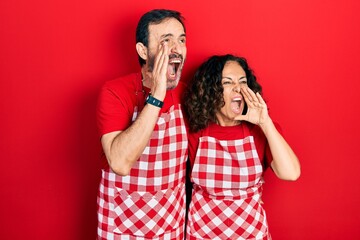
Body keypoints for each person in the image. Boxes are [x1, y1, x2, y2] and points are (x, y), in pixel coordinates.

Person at [183, 54, 301, 239]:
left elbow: (290, 173)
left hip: (251, 233)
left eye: (243, 81)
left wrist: (265, 123)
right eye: (228, 82)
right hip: (202, 234)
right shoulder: (194, 132)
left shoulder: (261, 131)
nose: (238, 88)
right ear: (210, 90)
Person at [96, 9, 188, 239]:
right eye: (166, 40)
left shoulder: (188, 94)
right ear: (143, 50)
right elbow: (120, 162)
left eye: (181, 40)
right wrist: (156, 95)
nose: (176, 48)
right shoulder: (115, 92)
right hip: (122, 227)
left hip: (171, 226)